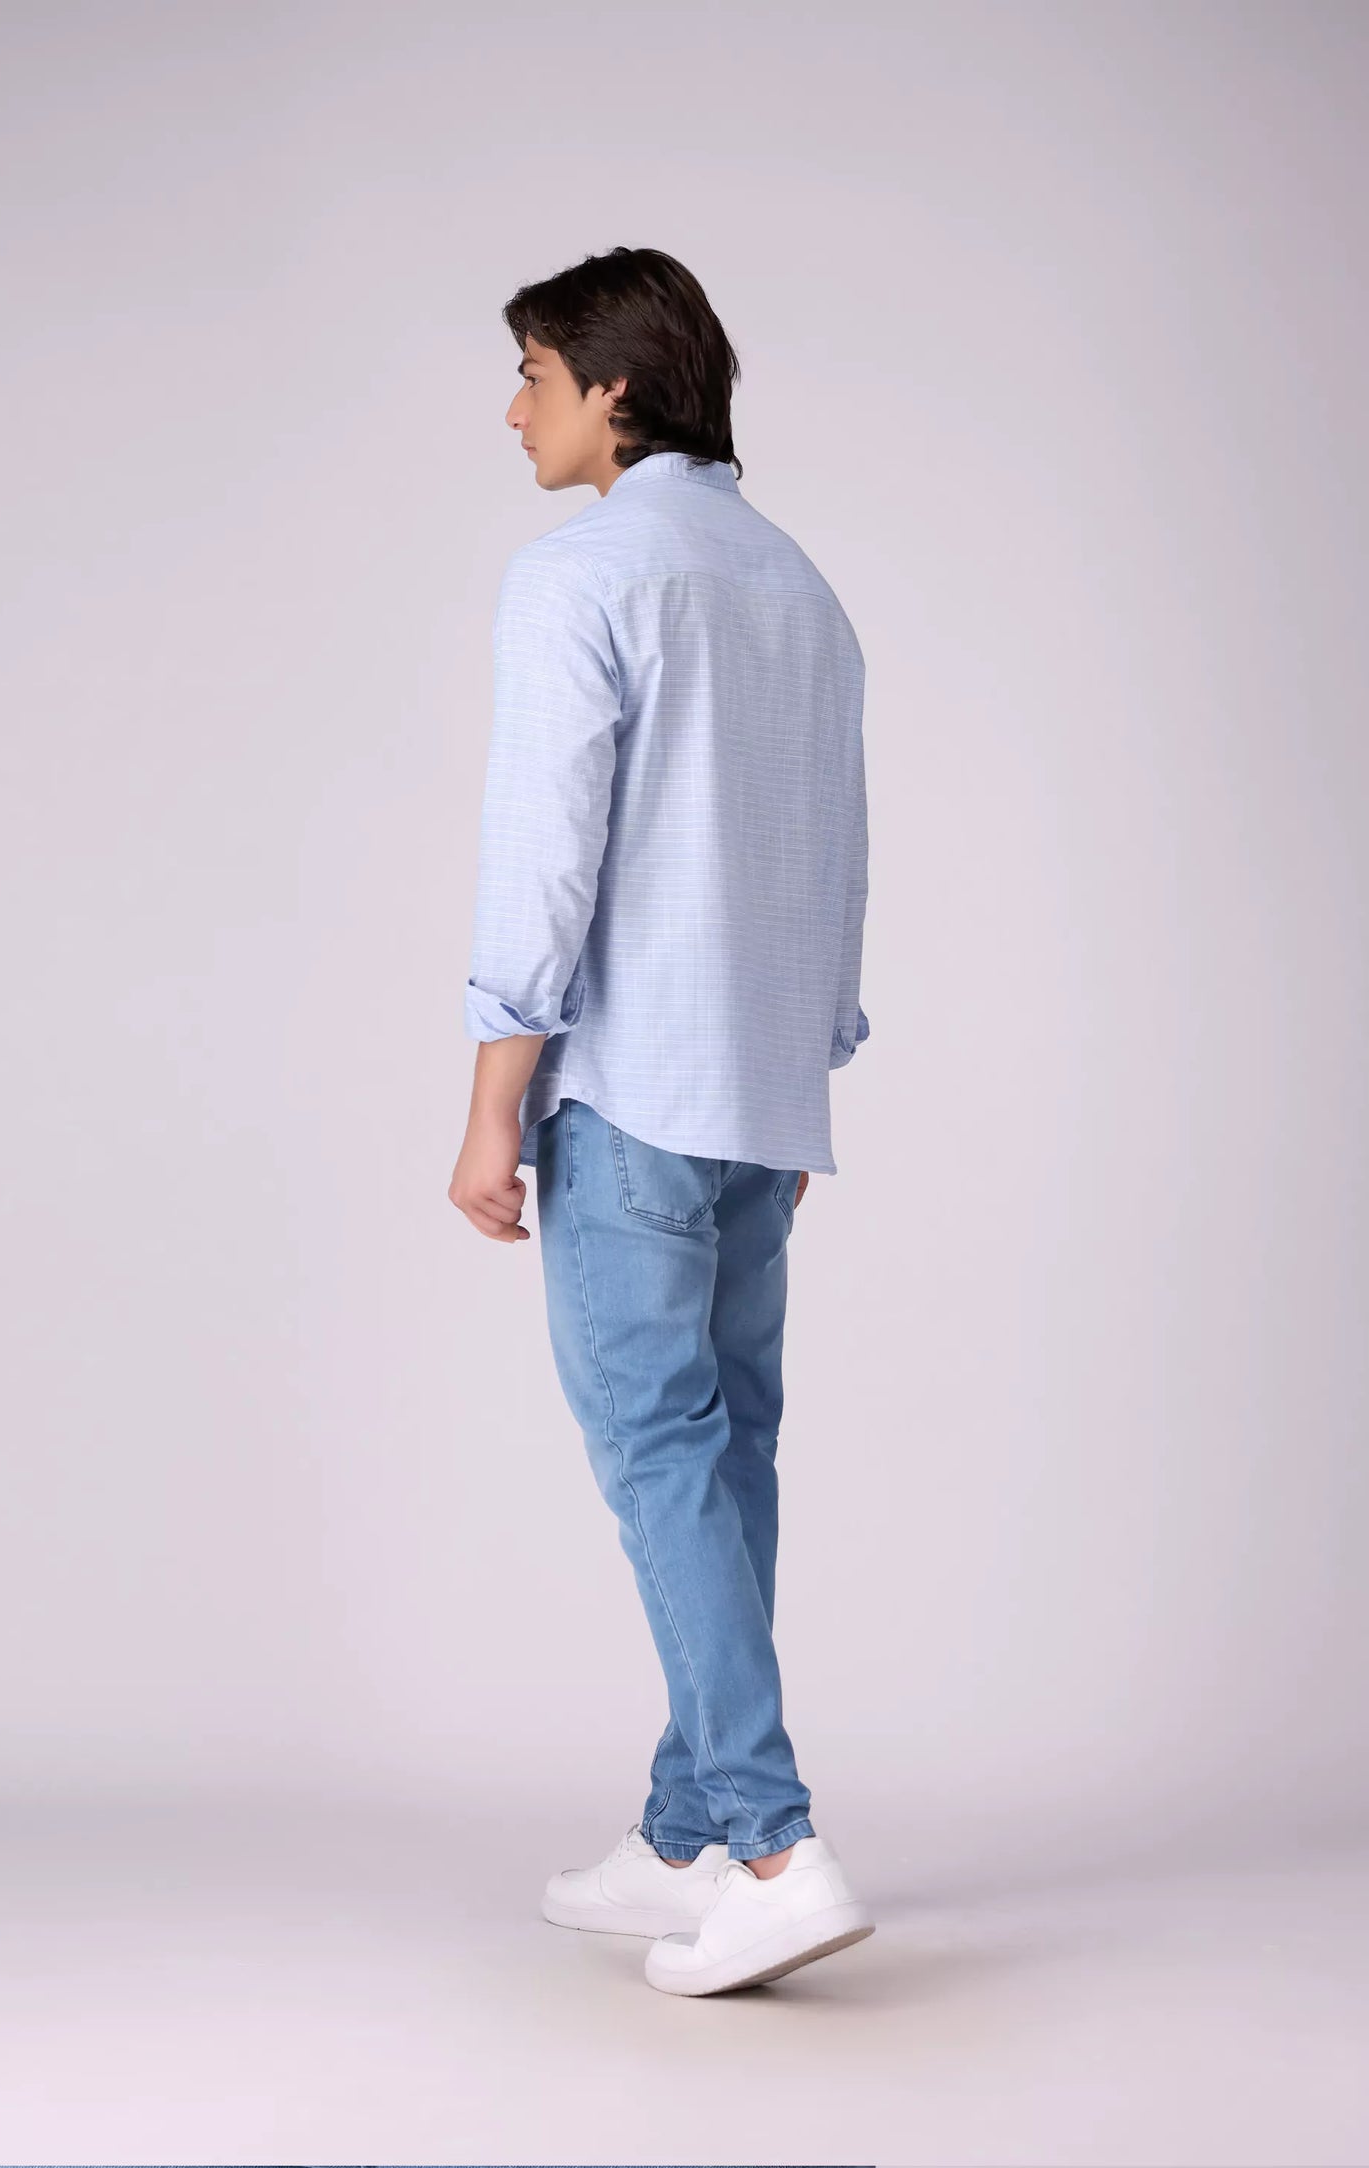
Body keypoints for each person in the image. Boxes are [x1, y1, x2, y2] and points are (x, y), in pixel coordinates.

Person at [449, 246, 874, 1996]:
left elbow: (543, 855)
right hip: (758, 1098)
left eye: (532, 375)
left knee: (660, 1458)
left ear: (613, 387)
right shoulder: (797, 586)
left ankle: (771, 1845)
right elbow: (835, 849)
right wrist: (805, 1068)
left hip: (629, 1089)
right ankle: (687, 1832)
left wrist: (492, 1102)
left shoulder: (581, 574)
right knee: (727, 1450)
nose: (512, 411)